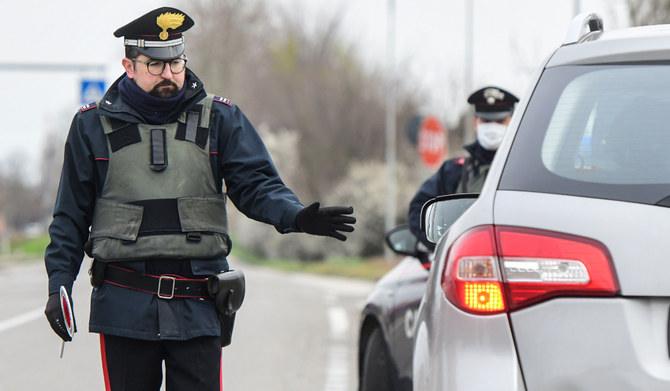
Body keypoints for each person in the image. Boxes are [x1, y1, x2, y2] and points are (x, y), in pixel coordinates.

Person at [43, 7, 356, 390]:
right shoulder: (91, 126)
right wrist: (59, 282)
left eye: (175, 63)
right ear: (128, 65)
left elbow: (256, 185)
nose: (169, 75)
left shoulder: (220, 119)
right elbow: (70, 216)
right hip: (124, 304)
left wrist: (295, 216)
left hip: (199, 304)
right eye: (155, 66)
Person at [407, 86, 518, 246]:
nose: (492, 127)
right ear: (475, 123)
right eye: (486, 121)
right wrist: (444, 247)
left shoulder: (524, 171)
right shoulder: (453, 171)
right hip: (465, 260)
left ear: (512, 122)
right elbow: (418, 211)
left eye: (500, 121)